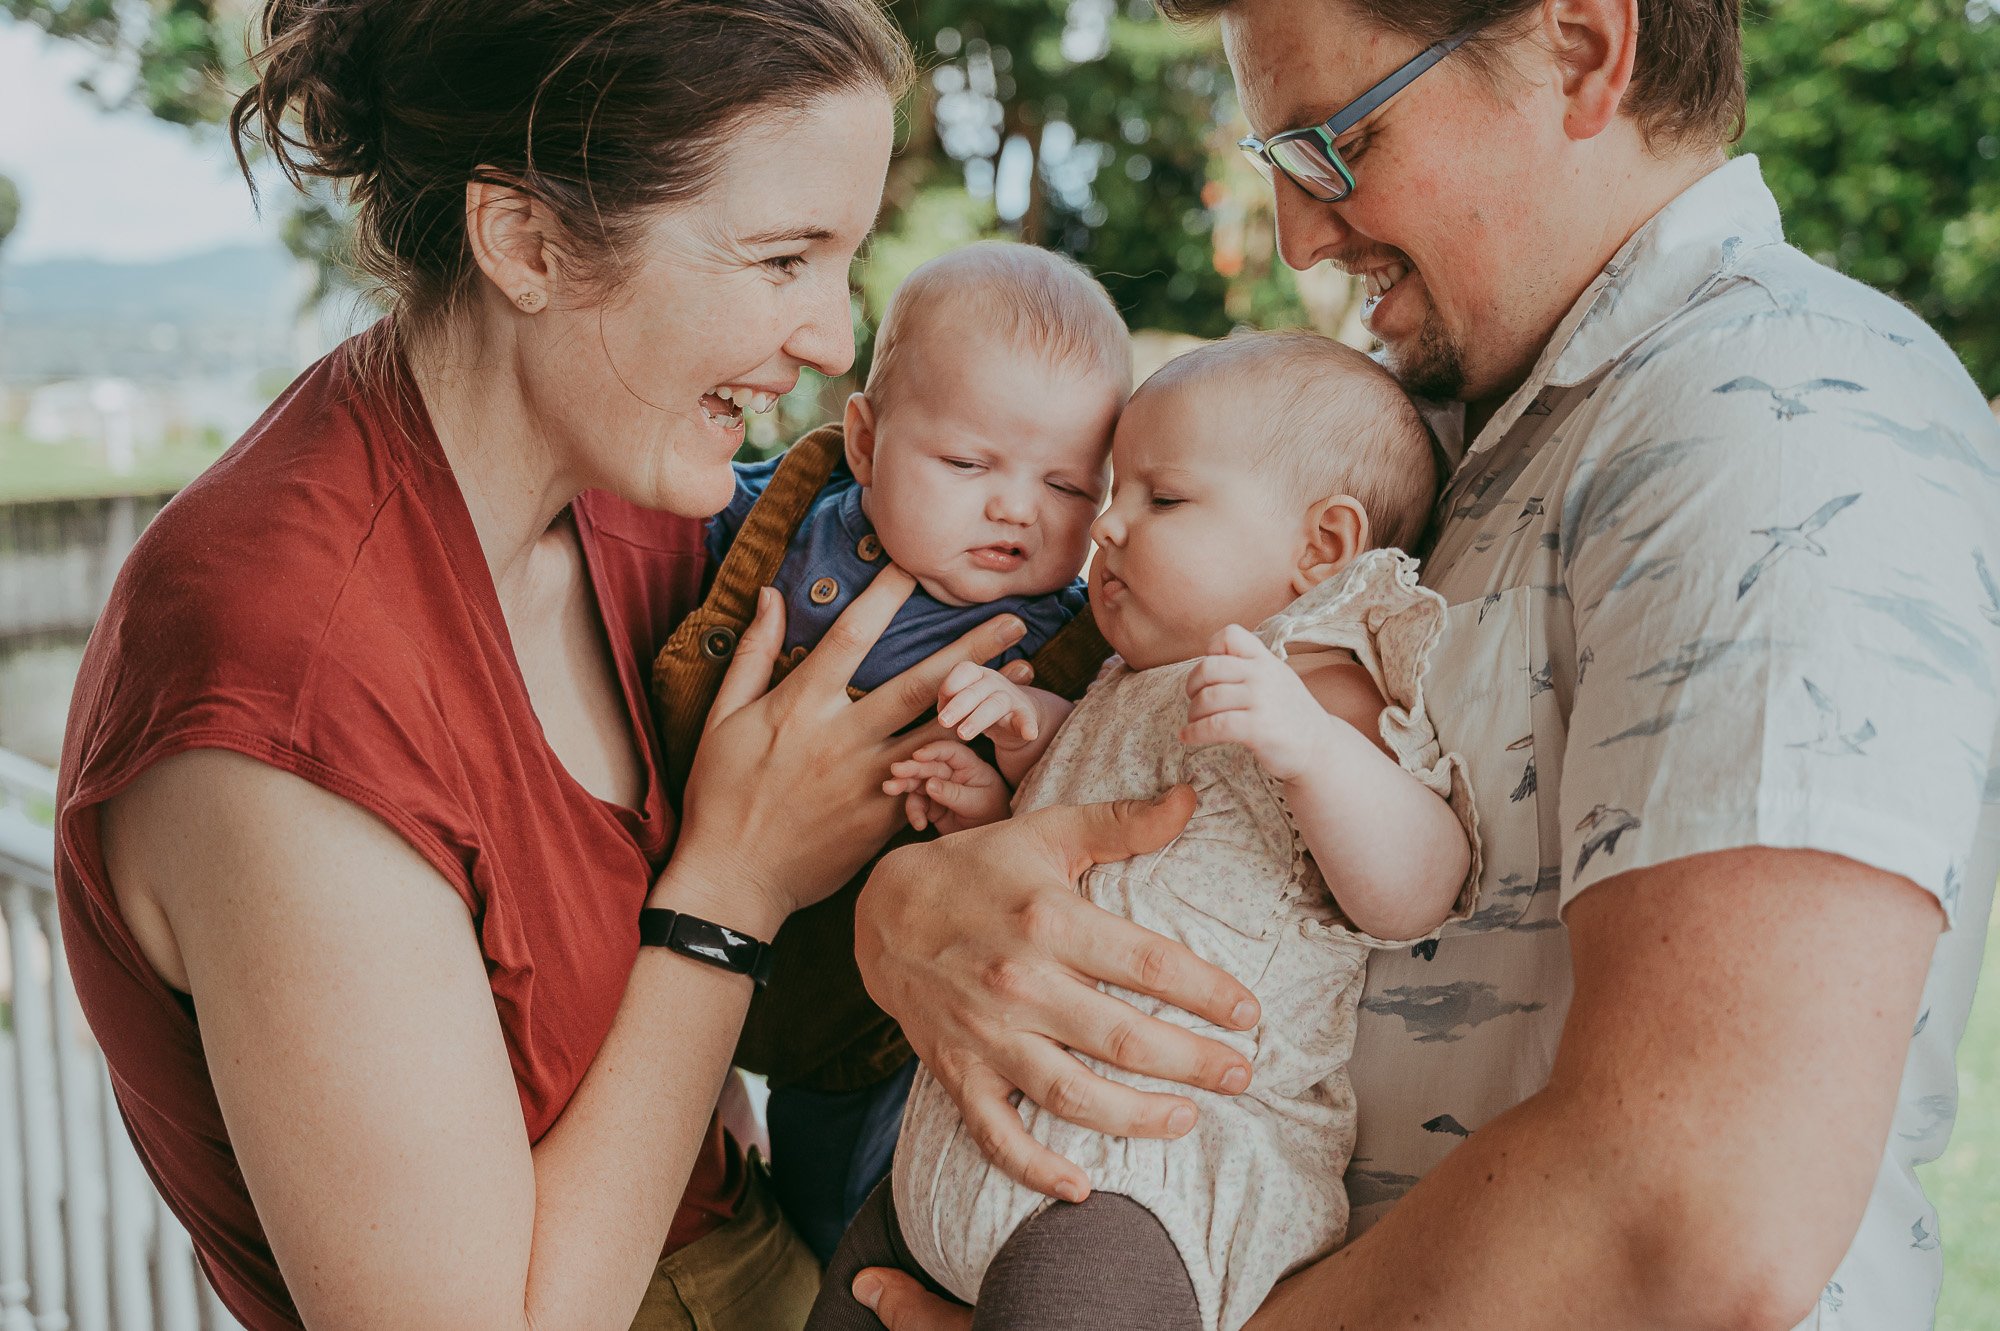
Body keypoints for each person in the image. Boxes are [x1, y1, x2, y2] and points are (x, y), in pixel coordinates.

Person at [845, 1, 2000, 1328]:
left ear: (1579, 50)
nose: (1295, 234)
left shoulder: (1778, 416)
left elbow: (1684, 1213)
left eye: (1333, 144)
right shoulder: (1461, 434)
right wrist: (910, 918)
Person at [48, 3, 1029, 1329]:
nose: (832, 341)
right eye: (782, 258)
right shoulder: (287, 677)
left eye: (840, 262)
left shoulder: (632, 488)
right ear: (529, 241)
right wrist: (727, 894)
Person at [807, 332, 1477, 1331]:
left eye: (1159, 499)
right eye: (1112, 490)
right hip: (956, 1152)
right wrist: (1007, 780)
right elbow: (1091, 843)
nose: (1105, 526)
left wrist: (1312, 749)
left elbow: (1418, 884)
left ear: (1321, 546)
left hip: (1151, 1175)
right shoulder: (1126, 681)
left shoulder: (1319, 681)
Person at [669, 240, 1130, 1259]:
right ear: (866, 442)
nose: (1016, 507)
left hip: (878, 1030)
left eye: (1066, 486)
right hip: (686, 932)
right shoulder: (777, 522)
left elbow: (1072, 814)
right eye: (967, 464)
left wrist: (997, 787)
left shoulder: (1063, 646)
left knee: (849, 1220)